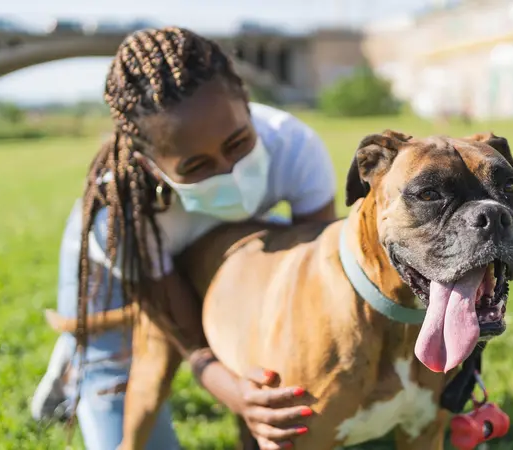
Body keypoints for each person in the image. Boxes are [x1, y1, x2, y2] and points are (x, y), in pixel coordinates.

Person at [30, 26, 337, 450]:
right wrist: (236, 395)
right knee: (126, 406)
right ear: (151, 166)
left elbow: (317, 277)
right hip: (122, 276)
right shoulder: (119, 213)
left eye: (238, 142)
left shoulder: (294, 147)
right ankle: (86, 360)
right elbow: (190, 341)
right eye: (196, 166)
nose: (229, 169)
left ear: (247, 105)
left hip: (223, 252)